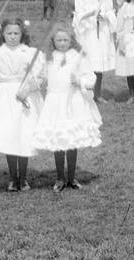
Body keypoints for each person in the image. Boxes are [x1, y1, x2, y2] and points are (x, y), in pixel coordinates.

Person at [32, 23, 102, 192]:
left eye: (65, 39)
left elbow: (91, 78)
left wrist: (80, 81)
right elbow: (40, 76)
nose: (62, 43)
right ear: (53, 41)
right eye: (59, 40)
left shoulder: (78, 56)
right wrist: (34, 81)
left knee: (72, 140)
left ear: (71, 40)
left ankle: (71, 177)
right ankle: (60, 178)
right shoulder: (48, 57)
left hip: (73, 101)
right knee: (58, 139)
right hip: (55, 102)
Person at [0, 18, 43, 192]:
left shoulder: (30, 52)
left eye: (16, 33)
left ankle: (23, 178)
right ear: (2, 34)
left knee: (23, 133)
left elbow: (39, 77)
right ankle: (12, 177)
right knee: (9, 133)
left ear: (22, 34)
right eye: (9, 33)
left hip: (23, 93)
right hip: (4, 95)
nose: (12, 37)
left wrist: (27, 89)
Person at [73, 0, 117, 102]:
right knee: (88, 63)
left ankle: (97, 94)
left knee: (98, 64)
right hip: (88, 32)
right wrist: (89, 15)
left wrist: (104, 16)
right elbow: (78, 13)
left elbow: (110, 10)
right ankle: (86, 92)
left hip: (100, 31)